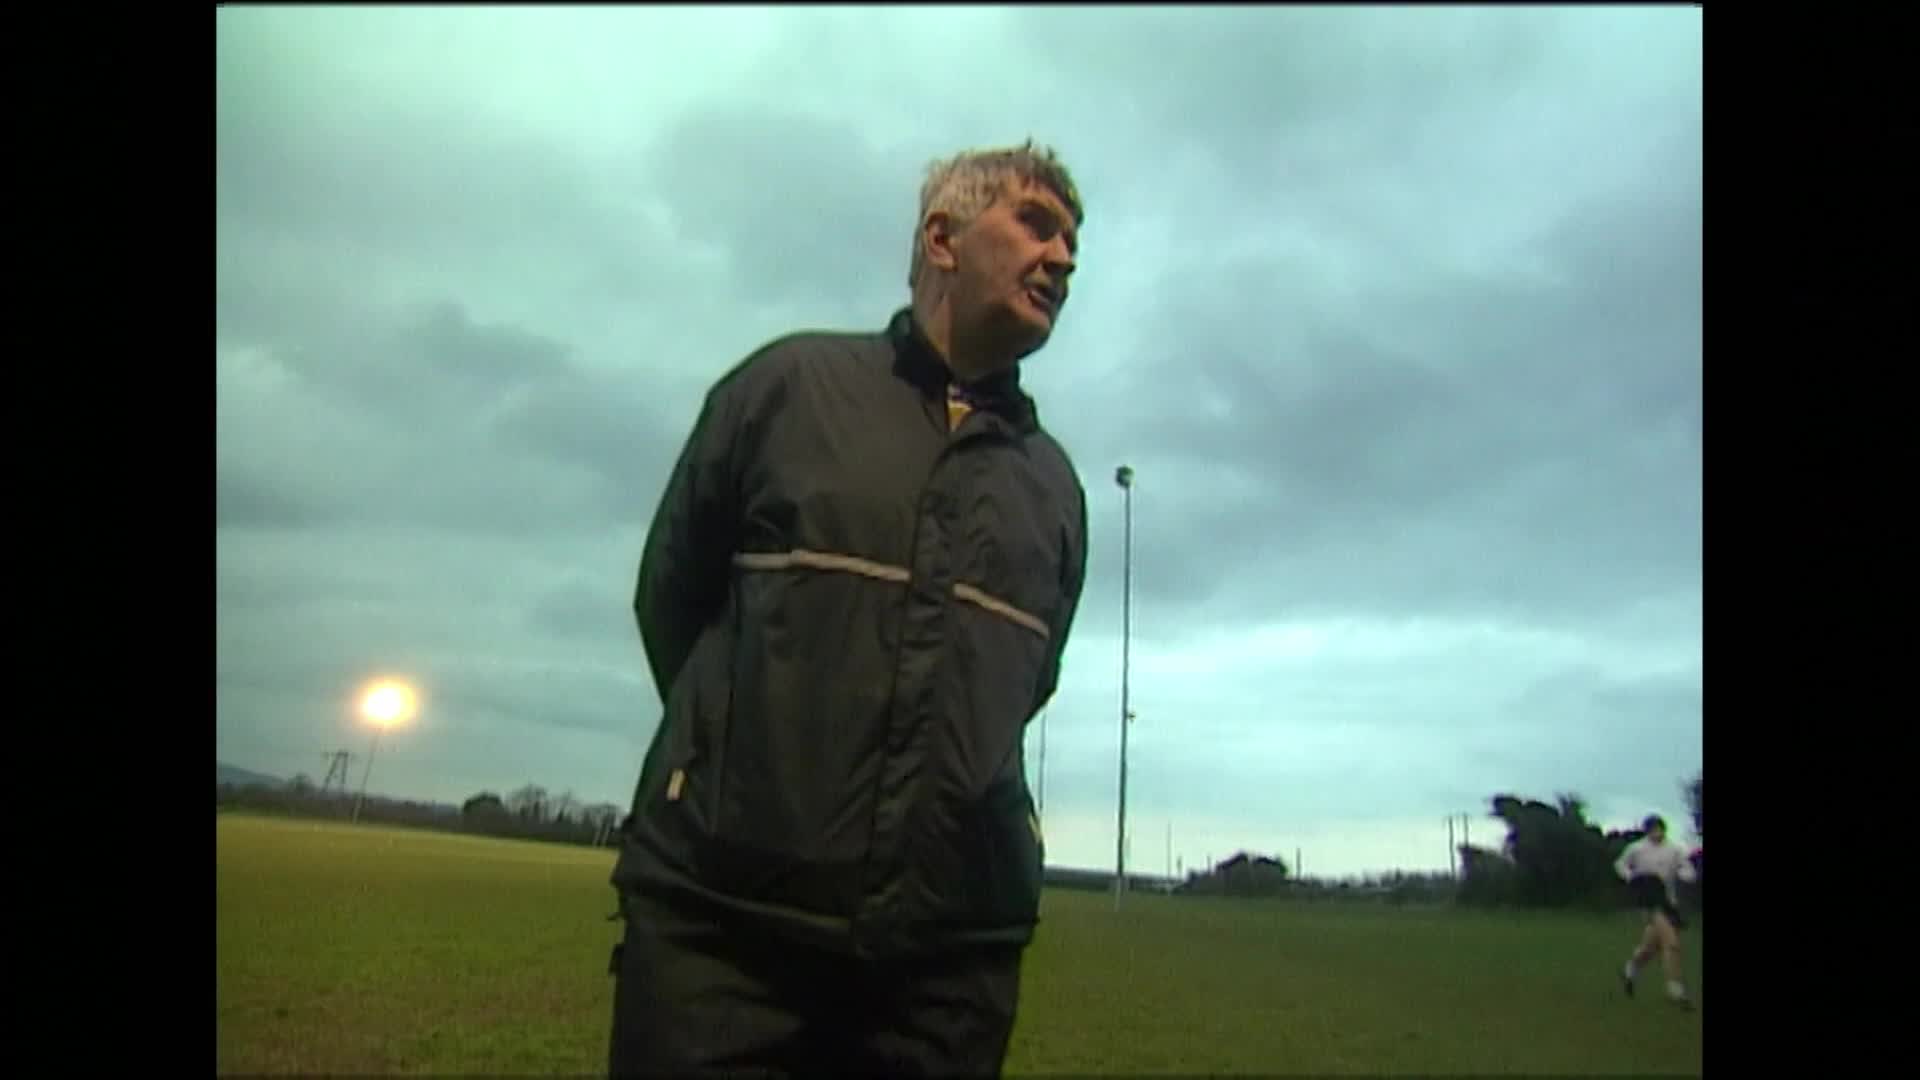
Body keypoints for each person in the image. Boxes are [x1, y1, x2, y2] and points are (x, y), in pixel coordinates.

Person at [605, 140, 1089, 1077]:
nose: (1062, 258)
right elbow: (673, 598)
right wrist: (748, 772)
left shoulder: (1053, 487)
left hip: (946, 966)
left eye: (1073, 243)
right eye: (1036, 225)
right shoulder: (786, 390)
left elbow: (1026, 685)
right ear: (943, 238)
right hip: (723, 934)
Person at [1613, 814, 1699, 1010]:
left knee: (1650, 948)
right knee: (1671, 943)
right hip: (1648, 903)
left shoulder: (1675, 849)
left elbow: (1688, 870)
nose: (1656, 833)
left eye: (1659, 829)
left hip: (1669, 904)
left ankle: (1629, 971)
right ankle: (1675, 989)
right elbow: (1620, 865)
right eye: (1652, 829)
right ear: (1647, 831)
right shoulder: (1637, 848)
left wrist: (1685, 875)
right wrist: (1631, 877)